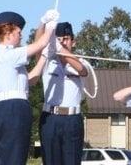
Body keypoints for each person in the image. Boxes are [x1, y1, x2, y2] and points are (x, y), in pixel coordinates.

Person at [0, 9, 59, 165]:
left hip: (13, 107)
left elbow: (31, 79)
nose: (21, 35)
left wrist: (45, 56)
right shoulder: (7, 55)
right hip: (12, 108)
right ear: (8, 33)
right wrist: (49, 26)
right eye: (19, 32)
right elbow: (40, 43)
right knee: (13, 159)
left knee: (15, 158)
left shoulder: (9, 57)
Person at [38, 21, 88, 165]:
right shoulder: (47, 61)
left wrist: (59, 48)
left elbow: (82, 70)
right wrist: (43, 24)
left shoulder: (82, 61)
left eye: (66, 38)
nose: (62, 42)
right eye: (58, 39)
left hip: (72, 119)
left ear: (74, 41)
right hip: (50, 118)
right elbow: (38, 43)